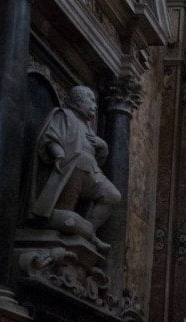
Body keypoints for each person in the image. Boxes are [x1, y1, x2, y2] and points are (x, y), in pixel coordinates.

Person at [31, 86, 121, 252]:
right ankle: (64, 213)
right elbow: (50, 137)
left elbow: (96, 159)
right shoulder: (64, 115)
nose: (94, 105)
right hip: (68, 167)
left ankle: (88, 232)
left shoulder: (88, 127)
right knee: (83, 160)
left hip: (90, 171)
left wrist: (103, 147)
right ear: (80, 101)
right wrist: (57, 154)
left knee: (113, 196)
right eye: (91, 101)